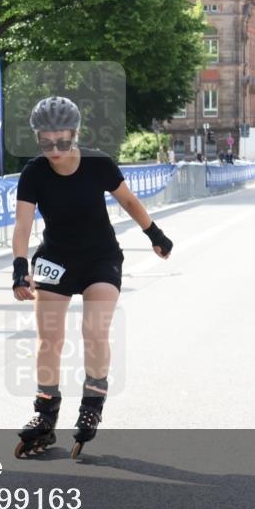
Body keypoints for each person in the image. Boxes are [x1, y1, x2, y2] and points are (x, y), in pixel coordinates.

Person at [11, 96, 173, 459]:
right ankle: (45, 415)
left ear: (76, 134)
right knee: (48, 339)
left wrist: (155, 235)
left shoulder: (98, 163)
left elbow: (128, 201)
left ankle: (91, 404)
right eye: (45, 141)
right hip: (55, 259)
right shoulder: (34, 172)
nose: (54, 149)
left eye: (62, 141)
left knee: (94, 331)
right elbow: (23, 226)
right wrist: (20, 267)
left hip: (100, 258)